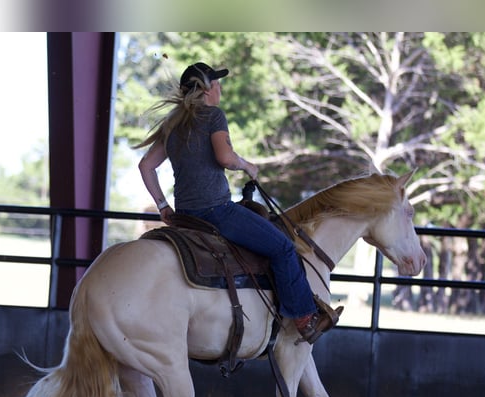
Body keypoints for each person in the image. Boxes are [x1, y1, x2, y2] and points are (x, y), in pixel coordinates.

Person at [135, 62, 336, 344]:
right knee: (282, 247)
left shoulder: (173, 124)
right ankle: (305, 318)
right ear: (208, 89)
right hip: (217, 212)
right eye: (217, 84)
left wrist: (163, 206)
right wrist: (247, 165)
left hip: (186, 216)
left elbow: (146, 166)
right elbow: (225, 158)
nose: (220, 89)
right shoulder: (213, 116)